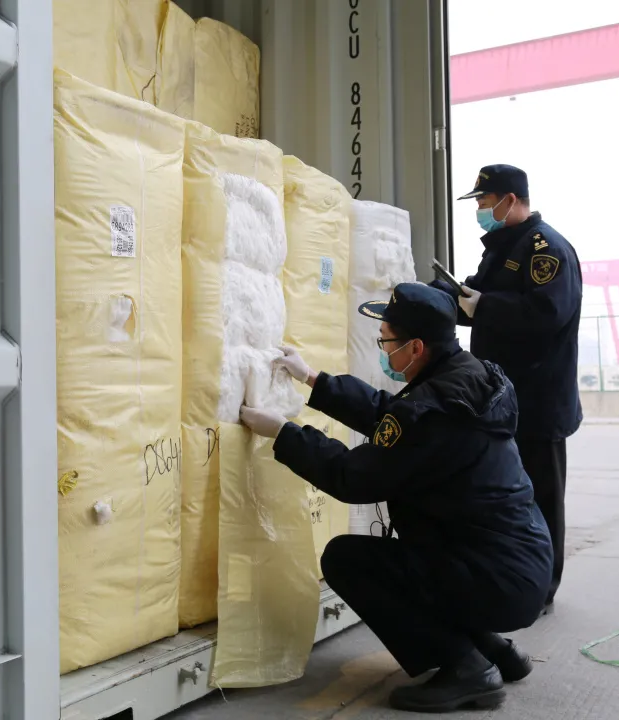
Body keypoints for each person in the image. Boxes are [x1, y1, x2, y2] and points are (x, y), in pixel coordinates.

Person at [239, 282, 553, 714]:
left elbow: (353, 477)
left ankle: (466, 668)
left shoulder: (432, 408)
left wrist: (285, 434)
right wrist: (312, 378)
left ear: (416, 347)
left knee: (348, 560)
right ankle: (494, 650)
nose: (384, 349)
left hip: (495, 578)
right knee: (426, 555)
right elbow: (394, 415)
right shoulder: (468, 376)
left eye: (386, 340)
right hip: (518, 564)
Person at [434, 164, 582, 614]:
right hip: (503, 398)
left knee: (542, 496)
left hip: (538, 398)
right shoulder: (503, 247)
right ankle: (509, 575)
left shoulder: (545, 249)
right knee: (506, 495)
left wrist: (485, 305)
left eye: (484, 201)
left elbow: (545, 313)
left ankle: (543, 588)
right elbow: (474, 298)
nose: (480, 209)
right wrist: (436, 295)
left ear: (511, 200)